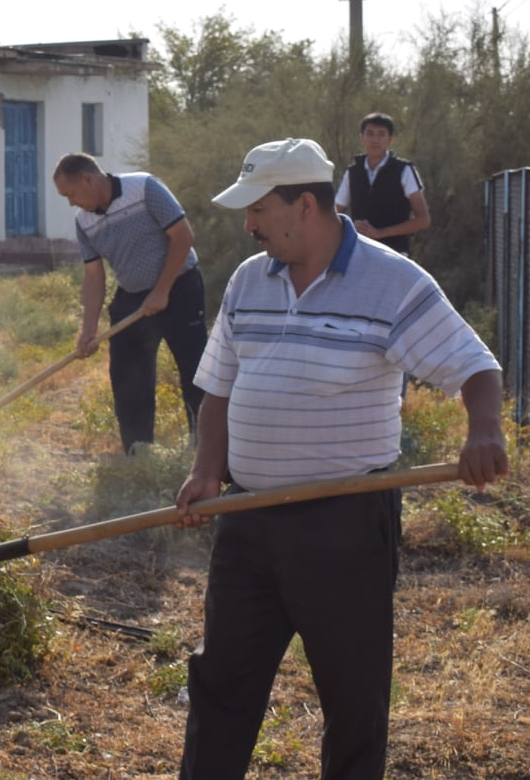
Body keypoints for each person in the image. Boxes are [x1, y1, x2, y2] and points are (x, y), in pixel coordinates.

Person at [174, 137, 506, 780]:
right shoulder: (249, 280)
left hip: (343, 522)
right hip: (247, 515)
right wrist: (206, 470)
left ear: (305, 205)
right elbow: (217, 386)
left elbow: (474, 366)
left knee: (352, 699)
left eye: (259, 210)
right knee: (221, 681)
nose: (248, 225)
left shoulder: (393, 281)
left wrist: (484, 430)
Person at [52, 152, 208, 452]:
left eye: (70, 194)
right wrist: (88, 329)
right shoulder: (83, 221)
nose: (70, 202)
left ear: (88, 179)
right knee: (127, 376)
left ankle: (203, 449)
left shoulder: (145, 188)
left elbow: (183, 236)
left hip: (180, 287)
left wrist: (162, 291)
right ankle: (138, 451)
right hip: (132, 296)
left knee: (195, 371)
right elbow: (94, 275)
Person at [335, 111, 431, 255]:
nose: (375, 140)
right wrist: (350, 227)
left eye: (381, 134)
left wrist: (381, 233)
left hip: (395, 254)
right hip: (359, 254)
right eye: (370, 134)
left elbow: (423, 220)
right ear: (362, 138)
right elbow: (334, 214)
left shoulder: (404, 170)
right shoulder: (353, 172)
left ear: (390, 139)